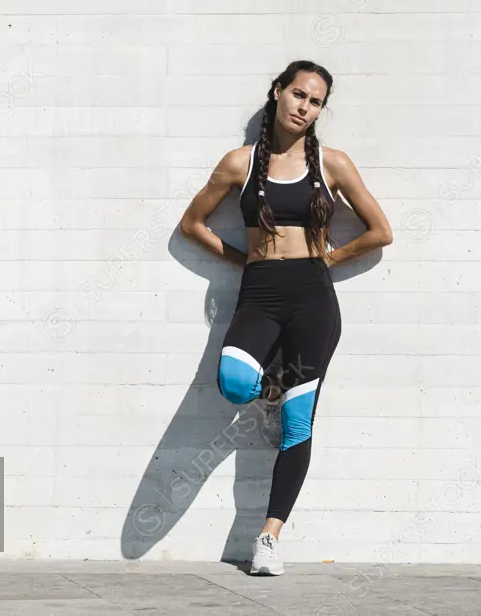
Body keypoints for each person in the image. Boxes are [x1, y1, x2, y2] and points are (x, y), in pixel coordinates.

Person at [179, 60, 393, 575]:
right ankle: (268, 386)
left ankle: (269, 538)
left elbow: (379, 231)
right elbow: (192, 224)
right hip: (260, 292)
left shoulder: (334, 164)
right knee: (233, 384)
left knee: (298, 424)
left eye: (315, 101)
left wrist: (329, 260)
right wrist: (241, 260)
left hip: (313, 298)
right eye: (298, 94)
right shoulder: (239, 164)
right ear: (277, 92)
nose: (304, 107)